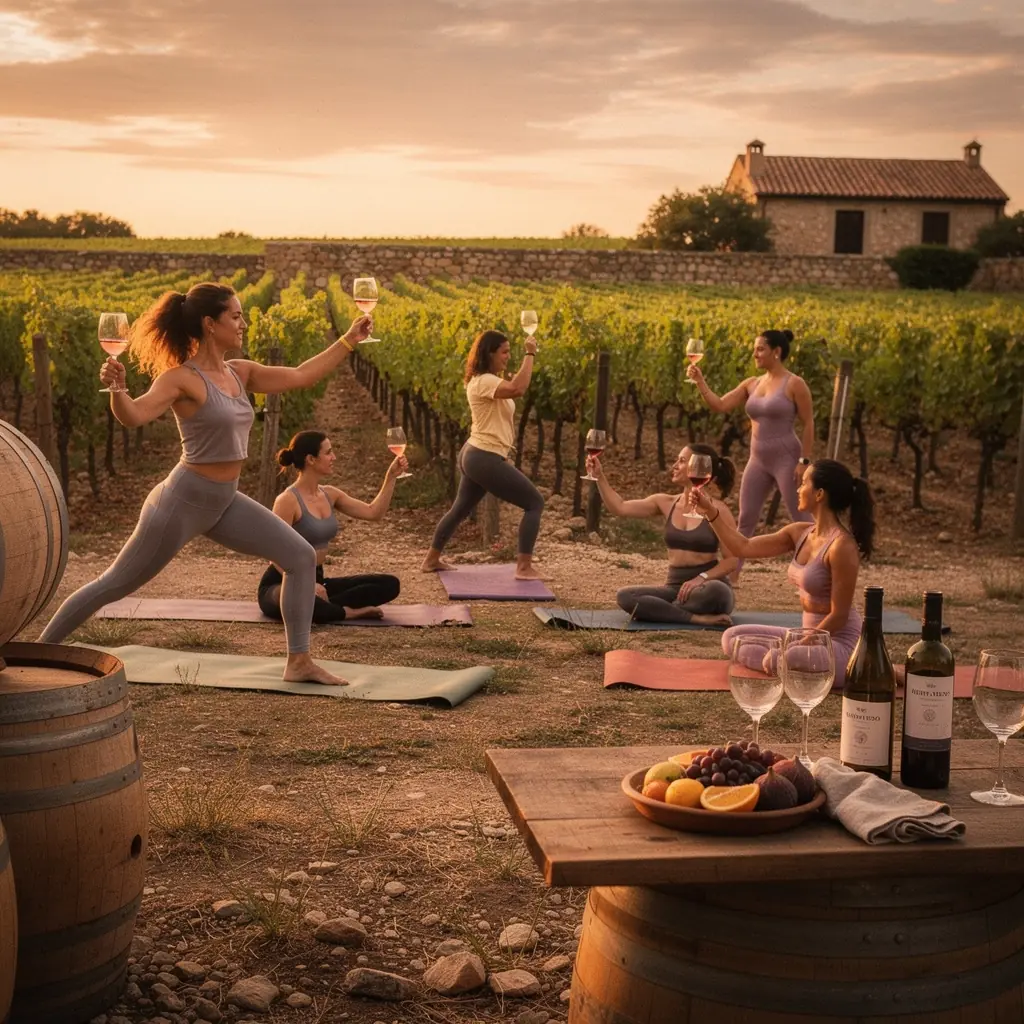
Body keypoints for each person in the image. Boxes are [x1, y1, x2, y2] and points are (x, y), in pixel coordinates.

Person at [39, 282, 373, 687]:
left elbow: (302, 375)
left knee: (300, 557)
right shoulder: (181, 378)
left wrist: (348, 339)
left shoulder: (240, 372)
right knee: (113, 584)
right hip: (181, 503)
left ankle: (299, 662)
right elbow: (134, 415)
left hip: (224, 501)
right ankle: (38, 651)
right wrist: (117, 388)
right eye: (236, 316)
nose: (243, 323)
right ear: (210, 324)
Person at [689, 458, 875, 688]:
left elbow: (839, 616)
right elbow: (743, 547)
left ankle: (862, 668)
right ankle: (790, 664)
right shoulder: (799, 533)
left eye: (804, 483)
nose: (797, 489)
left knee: (781, 657)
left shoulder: (841, 546)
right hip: (807, 636)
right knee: (732, 638)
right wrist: (710, 511)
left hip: (839, 644)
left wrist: (796, 645)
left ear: (819, 494)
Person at [421, 329, 545, 580]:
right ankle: (524, 568)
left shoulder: (486, 380)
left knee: (460, 509)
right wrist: (530, 354)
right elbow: (518, 388)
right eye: (504, 352)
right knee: (534, 503)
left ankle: (431, 560)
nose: (508, 356)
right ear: (489, 354)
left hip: (476, 453)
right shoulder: (484, 381)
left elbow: (511, 388)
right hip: (484, 456)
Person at [258, 430, 404, 623]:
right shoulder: (287, 500)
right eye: (328, 452)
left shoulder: (330, 494)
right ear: (311, 459)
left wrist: (391, 476)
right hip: (282, 581)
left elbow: (373, 512)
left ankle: (326, 607)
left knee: (390, 584)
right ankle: (346, 612)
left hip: (317, 579)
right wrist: (305, 584)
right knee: (300, 599)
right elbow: (274, 554)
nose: (333, 457)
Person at [587, 443, 739, 625]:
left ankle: (660, 610)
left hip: (707, 587)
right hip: (675, 589)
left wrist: (701, 578)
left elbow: (732, 560)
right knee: (626, 596)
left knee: (717, 591)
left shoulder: (718, 510)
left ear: (699, 468)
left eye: (681, 461)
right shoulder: (665, 502)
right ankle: (695, 618)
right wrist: (599, 477)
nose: (674, 466)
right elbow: (620, 507)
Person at [688, 329, 814, 538]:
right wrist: (700, 381)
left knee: (801, 518)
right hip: (758, 460)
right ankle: (735, 562)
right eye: (754, 349)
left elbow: (808, 423)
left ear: (776, 351)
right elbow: (720, 405)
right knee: (745, 520)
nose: (755, 354)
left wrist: (804, 461)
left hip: (787, 459)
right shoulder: (752, 383)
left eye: (760, 349)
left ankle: (822, 557)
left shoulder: (795, 384)